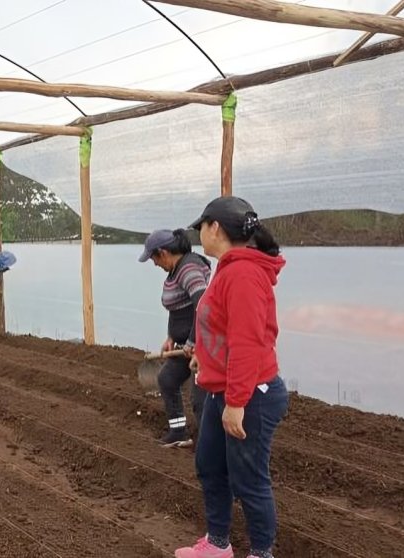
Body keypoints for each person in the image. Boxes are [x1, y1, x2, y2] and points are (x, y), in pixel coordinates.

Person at [174, 196, 288, 558]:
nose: (199, 235)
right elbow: (222, 329)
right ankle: (218, 545)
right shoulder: (228, 268)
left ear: (216, 229)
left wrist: (237, 403)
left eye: (201, 228)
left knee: (249, 479)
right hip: (221, 387)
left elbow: (247, 342)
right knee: (209, 465)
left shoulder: (242, 273)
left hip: (250, 393)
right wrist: (204, 359)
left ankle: (261, 553)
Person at [138, 229, 211, 448]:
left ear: (163, 252)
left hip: (202, 345)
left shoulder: (189, 268)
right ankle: (179, 431)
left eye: (153, 258)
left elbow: (203, 305)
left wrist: (193, 341)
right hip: (183, 345)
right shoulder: (175, 270)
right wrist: (172, 336)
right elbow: (179, 307)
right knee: (167, 380)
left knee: (201, 400)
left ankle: (209, 445)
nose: (154, 264)